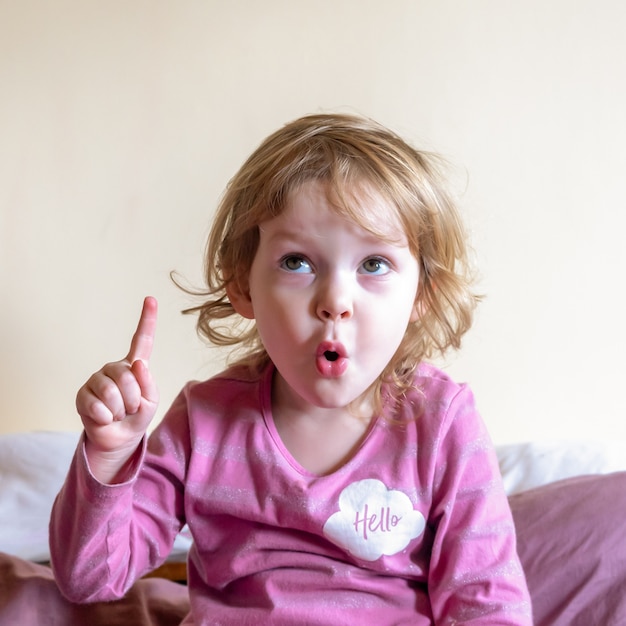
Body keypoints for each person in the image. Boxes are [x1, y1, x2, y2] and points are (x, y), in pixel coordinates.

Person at [50, 113, 532, 624]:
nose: (335, 302)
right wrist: (110, 456)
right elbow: (90, 580)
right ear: (243, 284)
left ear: (423, 294)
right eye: (297, 262)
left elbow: (488, 603)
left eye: (373, 264)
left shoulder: (442, 422)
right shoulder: (203, 419)